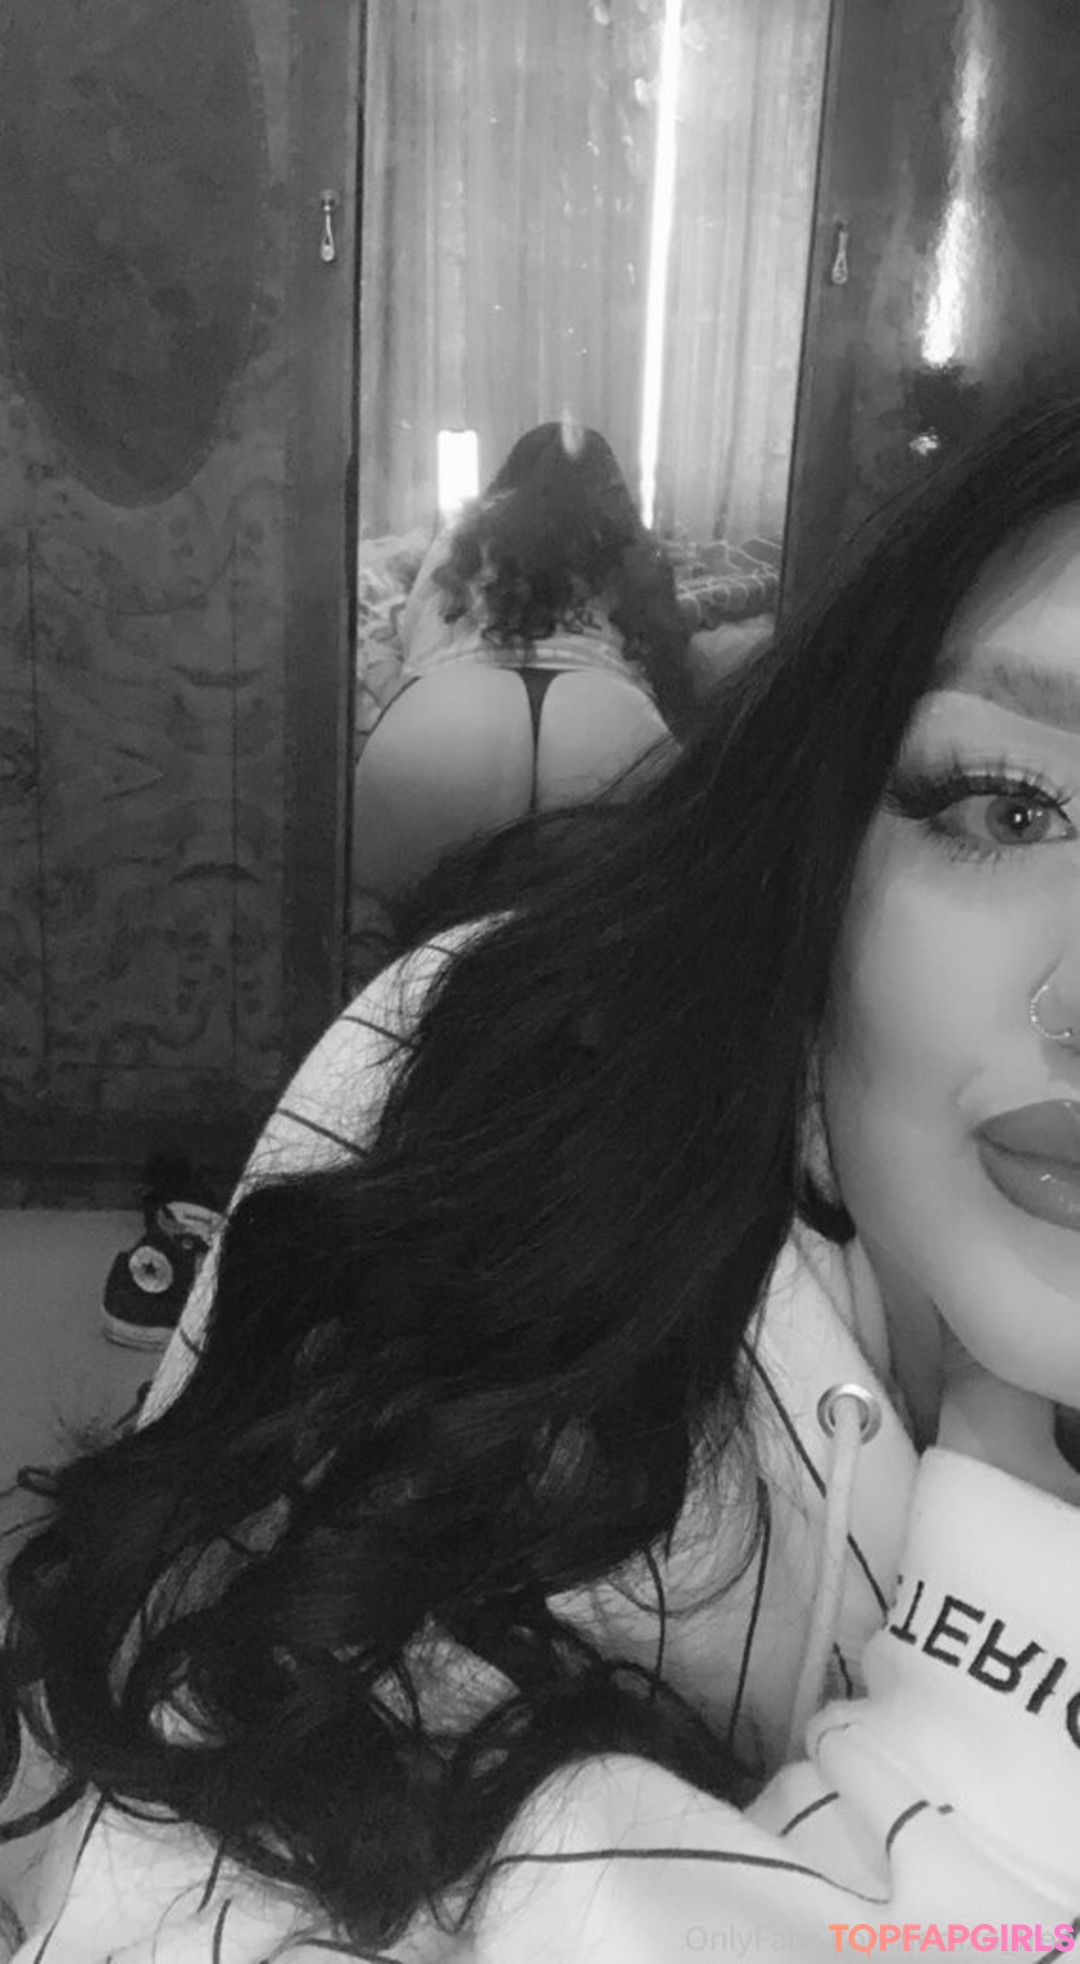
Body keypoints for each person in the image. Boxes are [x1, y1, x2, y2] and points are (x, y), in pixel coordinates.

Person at [5, 396, 1080, 1957]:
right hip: (604, 758)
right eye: (1012, 802)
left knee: (466, 985)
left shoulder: (450, 574)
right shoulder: (643, 635)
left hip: (439, 760)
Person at [351, 420, 695, 908]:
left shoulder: (463, 534)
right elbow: (665, 649)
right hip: (606, 724)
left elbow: (413, 641)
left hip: (445, 724)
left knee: (406, 943)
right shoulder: (626, 541)